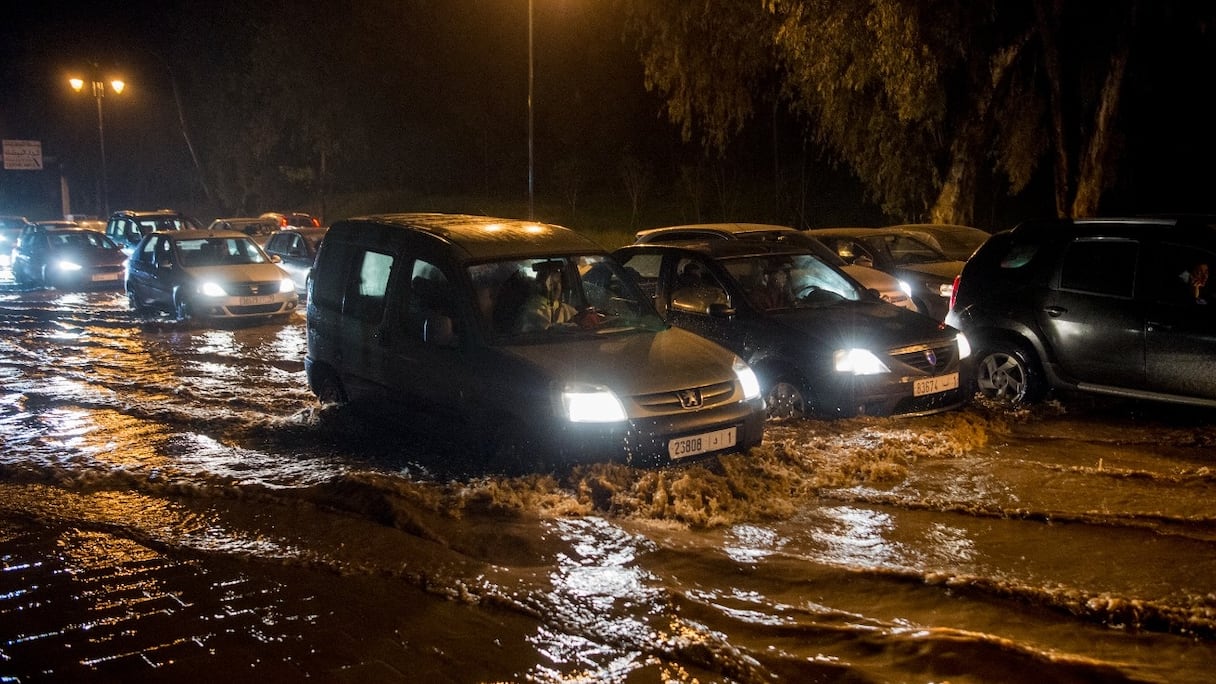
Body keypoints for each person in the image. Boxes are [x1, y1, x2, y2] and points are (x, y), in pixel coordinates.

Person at [516, 261, 577, 331]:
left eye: (558, 281)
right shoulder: (531, 311)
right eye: (551, 283)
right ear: (539, 285)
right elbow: (540, 331)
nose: (557, 286)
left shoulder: (567, 309)